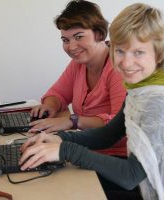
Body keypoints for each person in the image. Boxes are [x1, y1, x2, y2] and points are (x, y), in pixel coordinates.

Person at [20, 3, 164, 200]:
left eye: (138, 52)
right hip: (150, 181)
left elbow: (131, 176)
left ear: (159, 52)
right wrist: (59, 139)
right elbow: (108, 135)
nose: (126, 63)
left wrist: (65, 150)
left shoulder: (161, 103)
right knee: (59, 183)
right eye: (119, 51)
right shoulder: (140, 88)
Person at [29, 0, 126, 138]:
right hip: (89, 146)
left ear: (98, 34)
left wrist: (72, 121)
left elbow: (120, 125)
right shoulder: (78, 64)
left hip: (115, 154)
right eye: (65, 40)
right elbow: (58, 93)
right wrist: (50, 106)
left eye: (78, 37)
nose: (71, 47)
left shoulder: (119, 67)